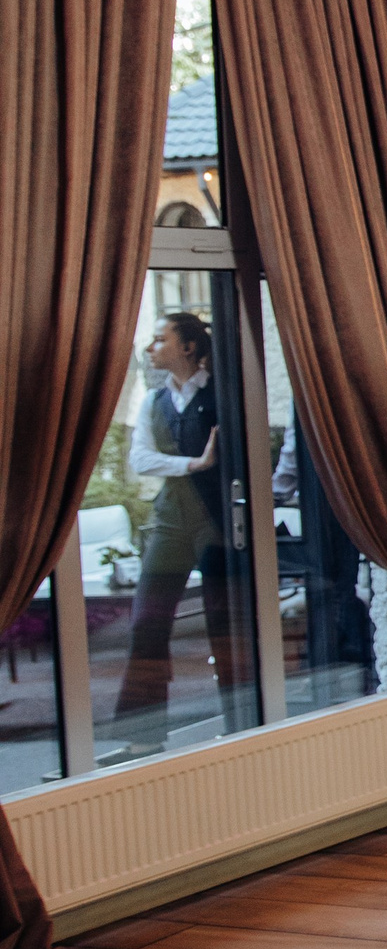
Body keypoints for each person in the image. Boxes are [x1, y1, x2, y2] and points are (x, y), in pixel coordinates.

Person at [114, 310, 243, 756]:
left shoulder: (224, 395)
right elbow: (141, 459)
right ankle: (141, 736)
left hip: (216, 521)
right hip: (170, 519)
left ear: (188, 347)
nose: (150, 348)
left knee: (224, 626)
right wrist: (194, 463)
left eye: (159, 339)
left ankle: (242, 726)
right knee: (146, 622)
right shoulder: (154, 401)